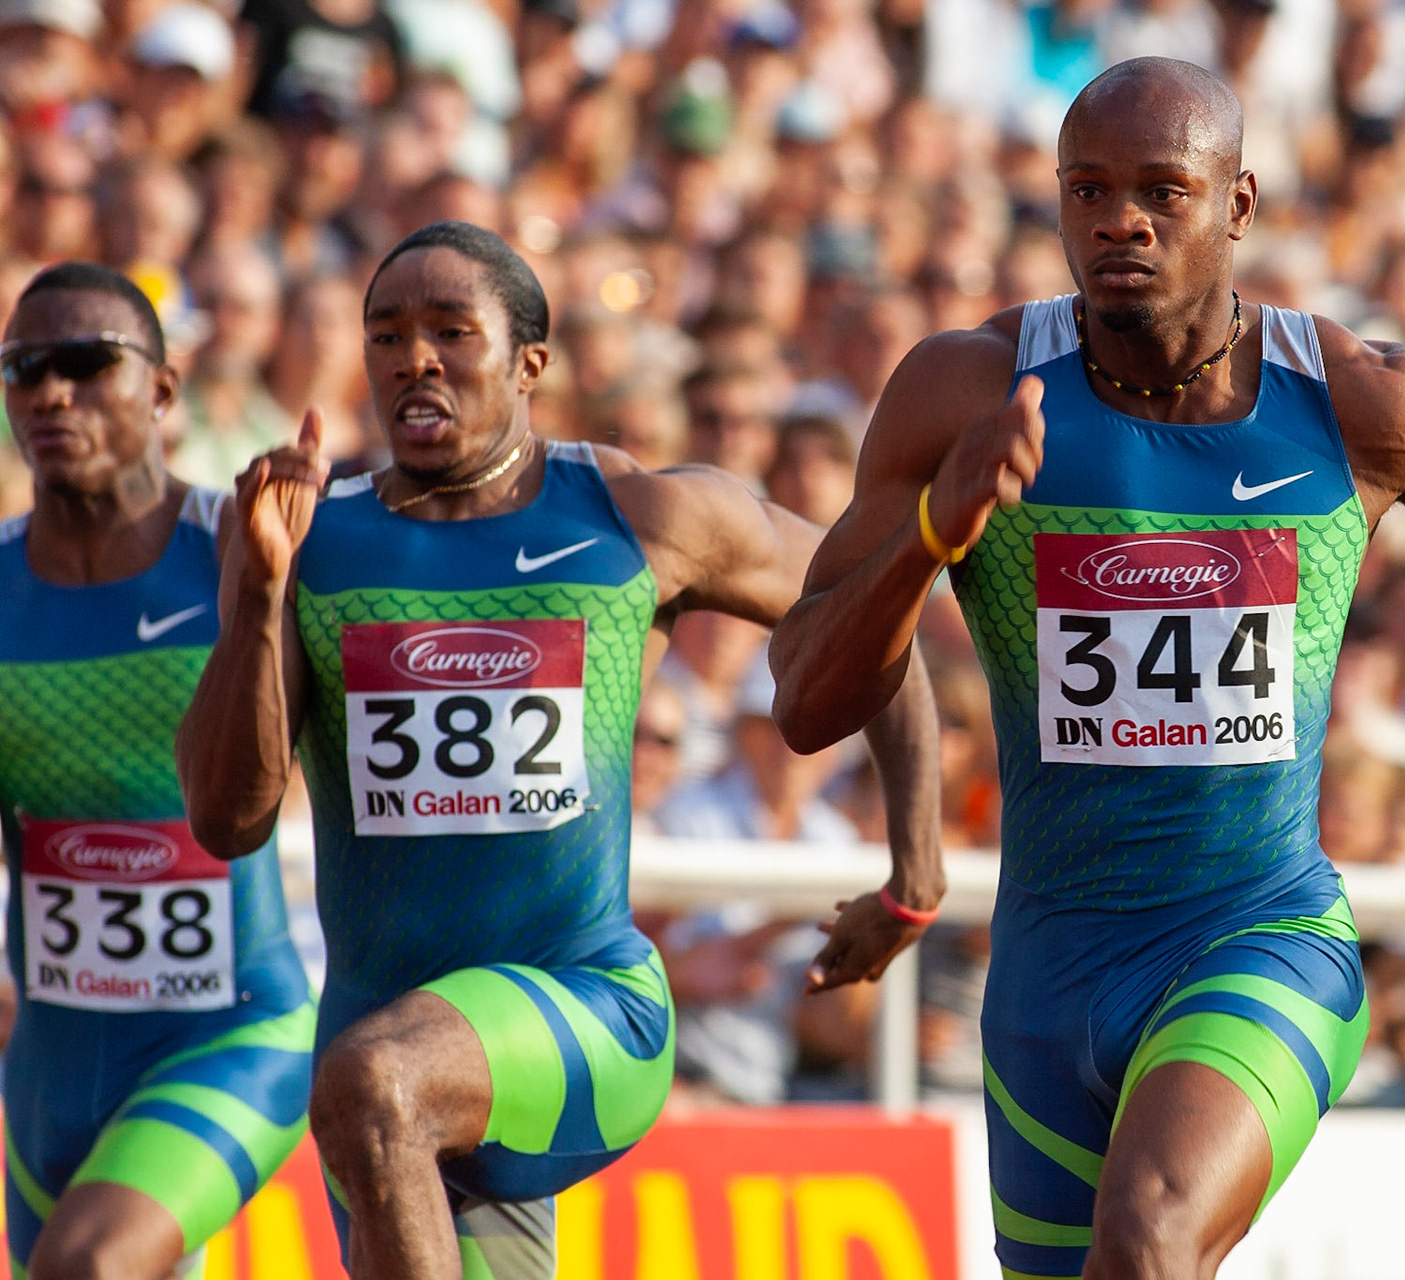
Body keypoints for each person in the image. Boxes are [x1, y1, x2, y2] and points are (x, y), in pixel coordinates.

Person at [770, 59, 1405, 1276]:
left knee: (1151, 1234)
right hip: (1048, 968)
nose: (1120, 221)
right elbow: (804, 699)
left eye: (1163, 189)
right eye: (1087, 190)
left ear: (1240, 205)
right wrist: (933, 536)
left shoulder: (1361, 402)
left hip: (1258, 932)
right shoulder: (969, 390)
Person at [177, 220, 941, 1279]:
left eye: (451, 329)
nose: (416, 358)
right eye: (386, 334)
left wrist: (915, 865)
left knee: (374, 1085)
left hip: (582, 1005)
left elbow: (874, 612)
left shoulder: (643, 514)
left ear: (532, 362)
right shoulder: (306, 539)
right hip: (384, 1038)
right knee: (382, 1094)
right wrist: (257, 598)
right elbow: (228, 817)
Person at [0, 263, 313, 1279]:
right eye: (24, 368)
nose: (51, 392)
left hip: (228, 1029)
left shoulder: (246, 547)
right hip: (49, 1061)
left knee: (87, 1268)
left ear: (165, 391)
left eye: (87, 364)